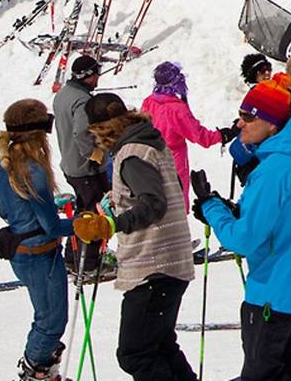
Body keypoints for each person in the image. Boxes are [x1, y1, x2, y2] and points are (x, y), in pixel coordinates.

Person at [193, 76, 291, 381]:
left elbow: (243, 240)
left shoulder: (273, 170)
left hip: (274, 293)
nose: (240, 124)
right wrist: (233, 211)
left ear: (272, 125)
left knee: (263, 375)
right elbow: (285, 218)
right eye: (241, 115)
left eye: (249, 117)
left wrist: (212, 209)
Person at [72, 92, 197, 381]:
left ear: (103, 129)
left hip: (153, 265)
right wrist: (118, 199)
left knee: (135, 354)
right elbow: (165, 188)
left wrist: (112, 224)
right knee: (160, 347)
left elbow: (154, 202)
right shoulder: (149, 142)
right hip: (169, 262)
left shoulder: (131, 154)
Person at [0, 98, 72, 381]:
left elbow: (6, 209)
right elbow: (51, 227)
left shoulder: (3, 163)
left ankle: (44, 371)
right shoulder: (33, 170)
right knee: (51, 322)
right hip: (41, 252)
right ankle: (34, 371)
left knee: (48, 318)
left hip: (22, 251)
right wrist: (86, 224)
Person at [140, 62, 229, 209]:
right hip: (173, 160)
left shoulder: (149, 101)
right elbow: (200, 136)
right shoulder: (177, 109)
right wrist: (222, 135)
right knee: (176, 204)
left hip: (150, 158)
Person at [52, 54, 106, 268]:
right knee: (93, 215)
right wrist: (93, 153)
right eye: (97, 74)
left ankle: (74, 257)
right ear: (89, 76)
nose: (98, 78)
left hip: (70, 163)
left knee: (83, 211)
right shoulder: (83, 100)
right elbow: (81, 132)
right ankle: (88, 262)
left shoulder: (63, 94)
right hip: (86, 168)